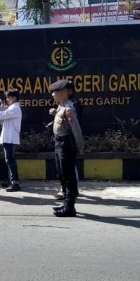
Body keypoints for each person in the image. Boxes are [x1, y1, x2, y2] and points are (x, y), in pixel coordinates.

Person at [49, 79, 84, 217]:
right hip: (58, 144)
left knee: (68, 176)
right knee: (61, 174)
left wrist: (80, 146)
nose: (52, 95)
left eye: (55, 92)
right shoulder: (61, 107)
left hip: (66, 145)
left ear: (63, 93)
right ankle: (65, 203)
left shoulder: (69, 109)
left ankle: (70, 207)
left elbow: (76, 130)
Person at [0, 88, 23, 192]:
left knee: (10, 160)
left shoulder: (14, 108)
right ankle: (12, 181)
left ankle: (15, 183)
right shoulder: (12, 107)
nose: (7, 99)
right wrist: (0, 108)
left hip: (10, 139)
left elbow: (1, 116)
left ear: (14, 97)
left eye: (8, 97)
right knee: (10, 160)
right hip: (9, 138)